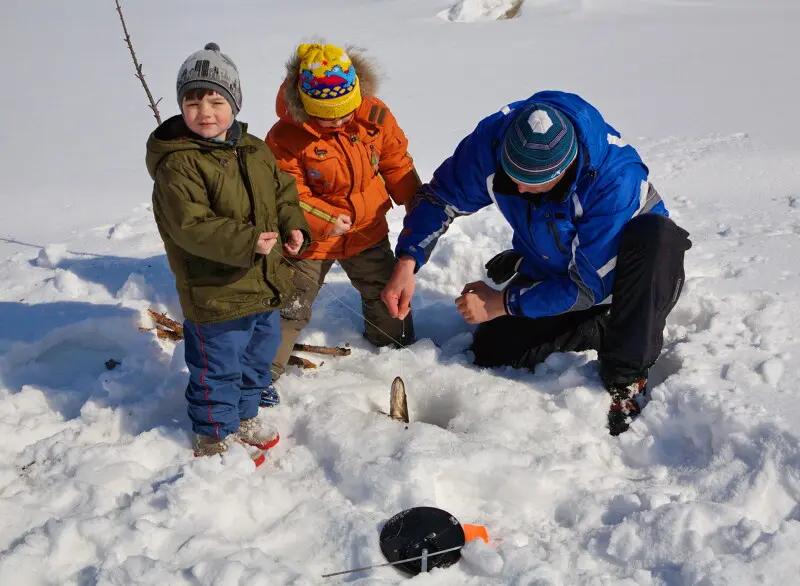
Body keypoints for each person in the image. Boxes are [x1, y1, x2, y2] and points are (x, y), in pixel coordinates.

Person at [382, 91, 691, 435]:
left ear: (564, 170)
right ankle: (590, 320)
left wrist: (503, 302)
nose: (516, 188)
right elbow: (440, 198)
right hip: (561, 265)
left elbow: (588, 286)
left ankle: (626, 373)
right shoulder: (493, 142)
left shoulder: (612, 181)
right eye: (510, 178)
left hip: (630, 275)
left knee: (654, 236)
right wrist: (408, 260)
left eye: (531, 184)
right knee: (492, 350)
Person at [145, 43, 311, 458]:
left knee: (258, 358)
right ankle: (214, 434)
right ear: (182, 106)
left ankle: (245, 414)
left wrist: (293, 225)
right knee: (216, 368)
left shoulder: (254, 149)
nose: (205, 111)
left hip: (264, 285)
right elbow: (189, 225)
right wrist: (246, 240)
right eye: (193, 101)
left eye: (216, 100)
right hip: (215, 292)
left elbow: (283, 192)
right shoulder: (178, 164)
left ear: (234, 103)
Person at [265, 42, 420, 393]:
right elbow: (286, 194)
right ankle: (259, 376)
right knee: (288, 305)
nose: (337, 121)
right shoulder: (285, 137)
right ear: (304, 106)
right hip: (308, 240)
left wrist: (415, 201)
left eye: (345, 112)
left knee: (388, 301)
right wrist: (323, 218)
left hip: (366, 231)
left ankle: (398, 354)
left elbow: (396, 160)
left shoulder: (374, 115)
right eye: (326, 115)